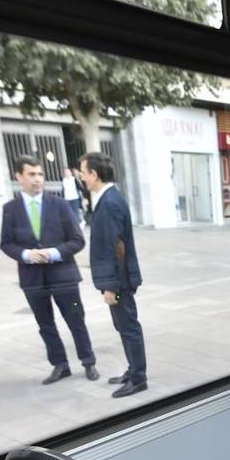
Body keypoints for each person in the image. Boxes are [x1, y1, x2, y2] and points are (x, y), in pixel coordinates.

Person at [0, 155, 99, 385]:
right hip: (33, 281)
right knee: (45, 324)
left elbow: (77, 240)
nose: (37, 179)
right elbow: (6, 243)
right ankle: (60, 365)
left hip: (64, 279)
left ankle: (88, 361)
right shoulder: (10, 210)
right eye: (31, 174)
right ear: (18, 177)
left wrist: (54, 252)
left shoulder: (61, 206)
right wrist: (25, 255)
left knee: (76, 319)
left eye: (40, 174)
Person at [80, 151, 146, 398]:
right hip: (119, 279)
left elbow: (112, 248)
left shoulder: (109, 202)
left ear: (94, 174)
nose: (83, 178)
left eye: (84, 173)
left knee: (129, 328)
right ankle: (133, 370)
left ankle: (139, 378)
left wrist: (110, 287)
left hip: (119, 281)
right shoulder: (108, 199)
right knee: (123, 326)